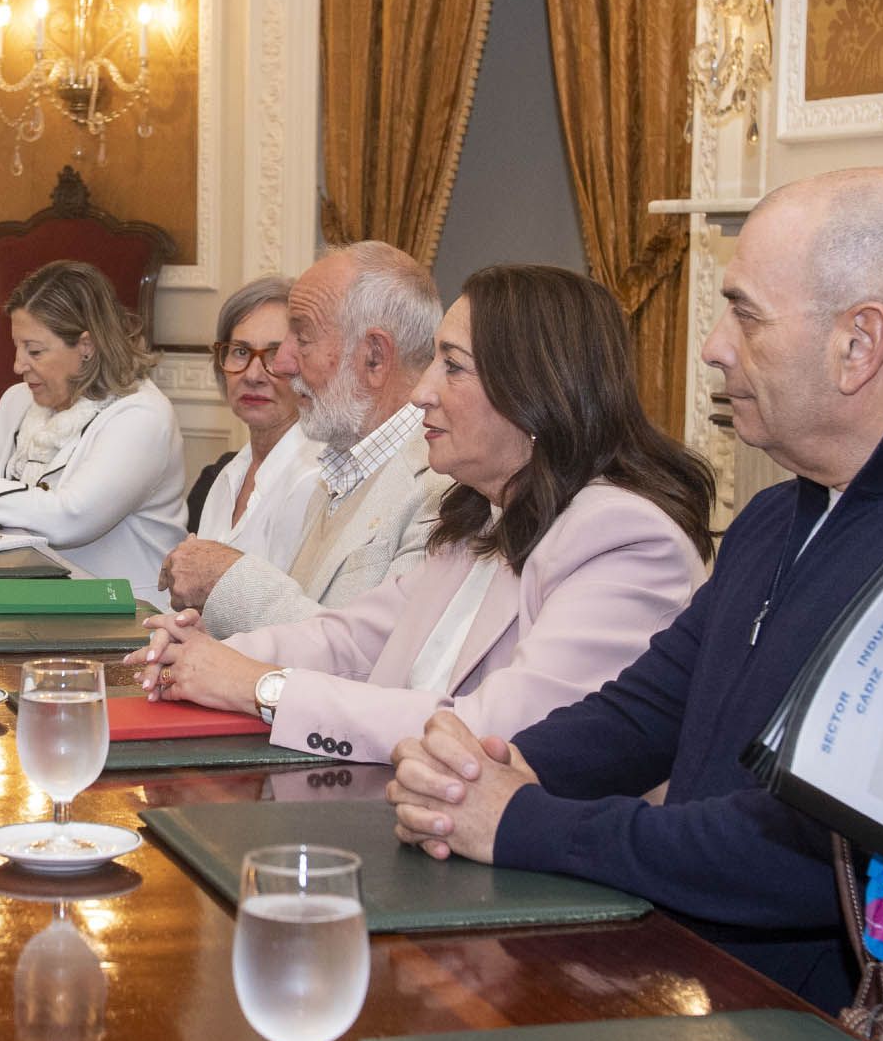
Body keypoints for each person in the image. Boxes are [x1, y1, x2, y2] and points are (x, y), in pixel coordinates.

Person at [388, 168, 883, 1010]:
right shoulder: (779, 514)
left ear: (859, 343)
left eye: (744, 313)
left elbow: (823, 852)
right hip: (697, 990)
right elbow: (648, 711)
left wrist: (525, 821)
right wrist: (492, 768)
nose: (713, 346)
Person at [133, 266, 709, 766]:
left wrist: (262, 687)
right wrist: (205, 657)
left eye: (452, 366)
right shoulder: (483, 517)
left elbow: (501, 733)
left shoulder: (625, 538)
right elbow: (352, 640)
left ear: (535, 388)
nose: (421, 392)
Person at [160, 241, 445, 635]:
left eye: (302, 339)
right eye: (241, 351)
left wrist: (226, 579)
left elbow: (378, 655)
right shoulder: (341, 465)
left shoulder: (443, 485)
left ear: (375, 358)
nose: (281, 364)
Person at [0, 259, 186, 599]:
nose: (18, 364)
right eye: (18, 347)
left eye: (34, 350)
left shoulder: (141, 417)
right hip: (37, 596)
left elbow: (69, 518)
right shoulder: (20, 401)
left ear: (87, 347)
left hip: (126, 615)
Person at [184, 275, 319, 554]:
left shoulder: (317, 482)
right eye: (241, 351)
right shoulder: (225, 474)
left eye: (274, 354)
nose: (253, 374)